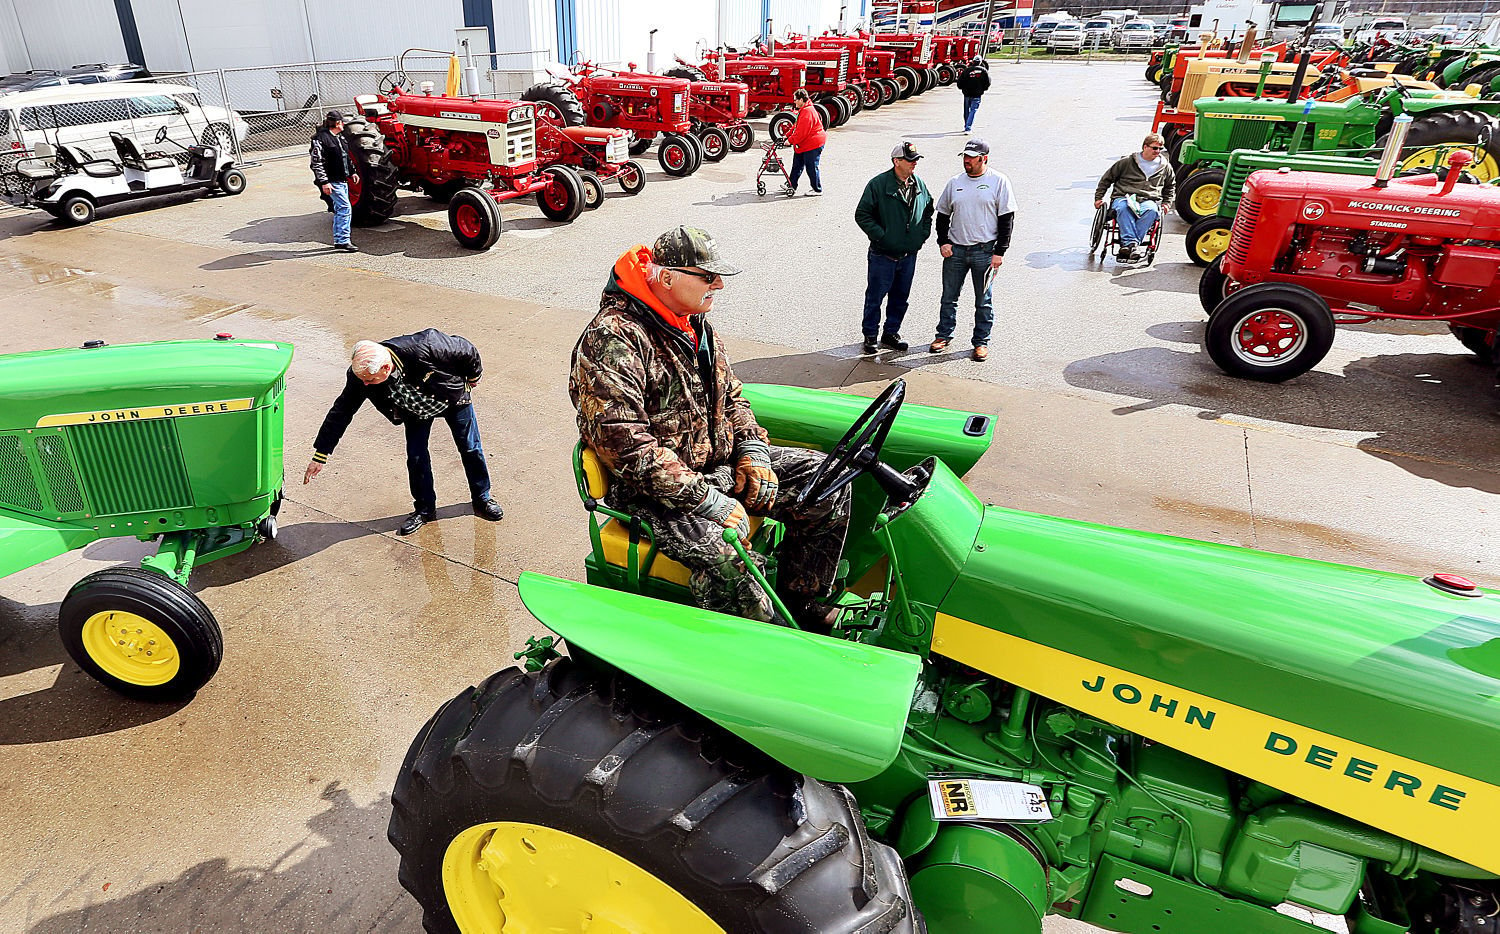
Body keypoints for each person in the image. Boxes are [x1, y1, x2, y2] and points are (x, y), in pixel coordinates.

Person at [570, 226, 851, 627]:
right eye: (707, 276)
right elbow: (627, 448)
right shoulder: (613, 339)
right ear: (667, 277)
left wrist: (753, 450)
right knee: (732, 566)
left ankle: (803, 602)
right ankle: (754, 655)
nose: (718, 285)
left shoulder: (694, 324)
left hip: (714, 469)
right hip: (653, 493)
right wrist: (707, 501)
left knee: (829, 479)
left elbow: (731, 396)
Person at [304, 330, 505, 536]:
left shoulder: (426, 345)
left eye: (370, 380)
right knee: (416, 458)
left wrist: (474, 376)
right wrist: (322, 453)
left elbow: (465, 349)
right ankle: (424, 509)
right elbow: (342, 410)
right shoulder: (361, 374)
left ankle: (482, 497)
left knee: (470, 448)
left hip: (452, 398)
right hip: (415, 409)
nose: (365, 384)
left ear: (385, 367)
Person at [932, 138, 1017, 362]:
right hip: (956, 251)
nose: (967, 161)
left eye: (971, 157)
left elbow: (1006, 218)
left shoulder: (999, 181)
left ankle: (981, 342)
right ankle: (943, 335)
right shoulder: (954, 183)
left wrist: (1000, 251)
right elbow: (942, 215)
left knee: (983, 300)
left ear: (984, 158)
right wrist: (943, 241)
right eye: (965, 157)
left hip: (985, 251)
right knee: (949, 297)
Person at [854, 141, 935, 355]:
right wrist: (883, 237)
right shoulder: (878, 185)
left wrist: (921, 236)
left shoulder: (918, 184)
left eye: (916, 160)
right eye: (909, 160)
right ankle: (870, 335)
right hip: (883, 254)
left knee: (901, 297)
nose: (914, 164)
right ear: (896, 161)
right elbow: (862, 215)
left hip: (908, 255)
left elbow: (928, 209)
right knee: (875, 296)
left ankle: (891, 333)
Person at [1093, 132, 1176, 264]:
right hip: (1124, 196)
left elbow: (1170, 187)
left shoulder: (1165, 167)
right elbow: (1106, 179)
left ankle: (1129, 245)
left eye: (1160, 149)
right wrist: (1099, 198)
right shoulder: (1126, 162)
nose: (1158, 151)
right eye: (1155, 148)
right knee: (1124, 208)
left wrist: (1167, 203)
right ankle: (1132, 244)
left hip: (1148, 199)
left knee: (1152, 211)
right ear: (1145, 147)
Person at [309, 111, 359, 253]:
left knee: (340, 209)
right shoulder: (321, 140)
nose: (343, 125)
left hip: (342, 180)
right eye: (342, 122)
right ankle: (343, 240)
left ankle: (340, 240)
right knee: (345, 208)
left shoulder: (340, 138)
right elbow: (317, 163)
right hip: (332, 181)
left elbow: (345, 157)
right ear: (337, 123)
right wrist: (324, 182)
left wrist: (353, 172)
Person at [785, 88, 826, 196]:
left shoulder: (807, 112)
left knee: (811, 166)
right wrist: (787, 136)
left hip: (813, 144)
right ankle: (791, 184)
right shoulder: (804, 109)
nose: (794, 102)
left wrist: (790, 141)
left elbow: (801, 132)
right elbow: (796, 126)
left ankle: (817, 189)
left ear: (802, 100)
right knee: (797, 164)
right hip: (806, 143)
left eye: (796, 100)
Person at [955, 57, 991, 133]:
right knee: (973, 110)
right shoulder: (984, 71)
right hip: (977, 94)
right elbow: (988, 82)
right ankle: (968, 127)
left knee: (966, 110)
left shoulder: (967, 70)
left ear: (973, 61)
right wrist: (982, 89)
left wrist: (962, 88)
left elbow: (960, 81)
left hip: (967, 94)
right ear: (980, 62)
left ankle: (966, 125)